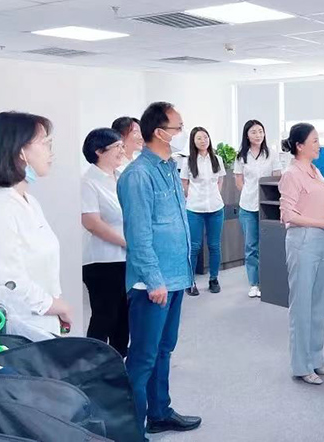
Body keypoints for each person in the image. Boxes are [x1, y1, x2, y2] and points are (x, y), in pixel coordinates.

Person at [117, 102, 201, 436]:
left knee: (164, 350)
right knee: (142, 359)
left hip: (175, 277)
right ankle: (131, 429)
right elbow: (138, 236)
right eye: (178, 128)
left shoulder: (169, 168)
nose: (182, 133)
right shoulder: (138, 175)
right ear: (159, 133)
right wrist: (154, 280)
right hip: (152, 284)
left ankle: (159, 412)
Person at [0, 112, 73, 335]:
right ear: (19, 151)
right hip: (10, 336)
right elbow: (10, 282)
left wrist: (55, 305)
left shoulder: (28, 202)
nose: (50, 151)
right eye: (44, 142)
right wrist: (57, 306)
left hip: (39, 327)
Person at [278, 123, 324, 386]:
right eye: (314, 141)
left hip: (320, 239)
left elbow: (316, 203)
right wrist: (321, 222)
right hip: (302, 241)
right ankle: (301, 366)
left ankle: (316, 359)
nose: (318, 145)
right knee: (301, 304)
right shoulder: (292, 174)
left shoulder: (315, 170)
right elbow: (288, 214)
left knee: (317, 302)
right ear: (299, 146)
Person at [81, 128, 129, 357]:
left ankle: (119, 363)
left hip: (125, 258)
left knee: (124, 317)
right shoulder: (88, 182)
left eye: (122, 146)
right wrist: (127, 243)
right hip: (102, 261)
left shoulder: (121, 177)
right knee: (104, 317)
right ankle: (91, 365)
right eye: (117, 147)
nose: (122, 151)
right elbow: (92, 222)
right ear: (99, 151)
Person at [234, 120, 282, 299]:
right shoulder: (241, 156)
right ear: (247, 135)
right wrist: (249, 193)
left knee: (269, 244)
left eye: (260, 131)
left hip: (268, 205)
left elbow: (277, 178)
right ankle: (254, 283)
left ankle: (269, 280)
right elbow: (239, 181)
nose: (258, 135)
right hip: (248, 206)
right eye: (253, 132)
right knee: (251, 246)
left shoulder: (271, 154)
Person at [180, 127, 227, 296]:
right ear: (193, 141)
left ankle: (213, 279)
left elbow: (220, 180)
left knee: (214, 245)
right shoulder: (188, 161)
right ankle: (190, 281)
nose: (203, 141)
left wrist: (215, 195)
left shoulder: (217, 159)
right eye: (199, 138)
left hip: (215, 208)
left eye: (205, 137)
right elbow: (184, 183)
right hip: (195, 208)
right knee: (194, 246)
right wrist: (192, 197)